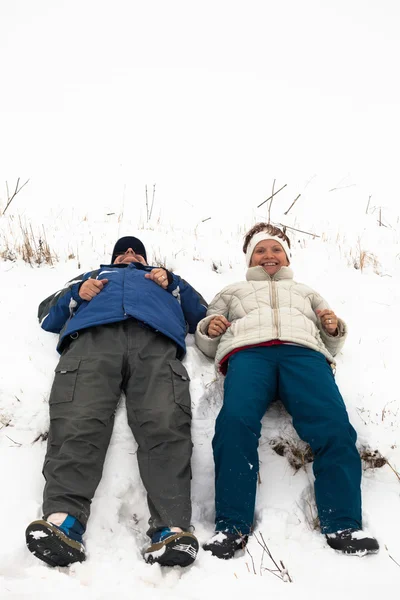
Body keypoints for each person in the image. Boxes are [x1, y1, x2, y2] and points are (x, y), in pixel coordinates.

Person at [195, 223, 379, 559]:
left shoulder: (306, 292)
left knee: (334, 424)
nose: (269, 255)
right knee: (234, 423)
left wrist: (333, 328)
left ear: (286, 256)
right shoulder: (232, 292)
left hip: (303, 355)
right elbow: (208, 340)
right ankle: (231, 526)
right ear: (250, 259)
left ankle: (342, 523)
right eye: (260, 251)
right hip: (249, 354)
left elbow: (331, 337)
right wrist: (211, 328)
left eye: (275, 249)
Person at [25, 236, 207, 568]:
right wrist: (78, 294)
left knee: (165, 421)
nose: (130, 254)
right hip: (93, 341)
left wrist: (173, 282)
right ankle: (63, 522)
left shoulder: (163, 280)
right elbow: (48, 316)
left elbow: (202, 317)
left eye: (137, 251)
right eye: (123, 251)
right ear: (114, 258)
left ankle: (171, 528)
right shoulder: (89, 277)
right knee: (79, 417)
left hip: (156, 343)